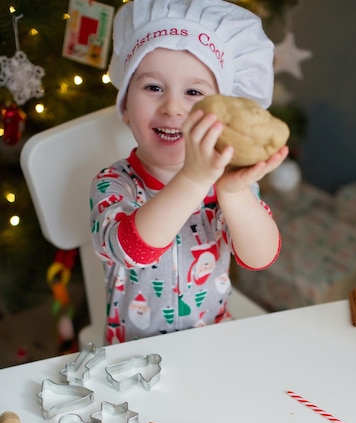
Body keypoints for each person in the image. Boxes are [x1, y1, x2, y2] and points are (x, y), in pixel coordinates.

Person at [90, 0, 288, 344]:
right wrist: (193, 179)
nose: (173, 107)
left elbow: (260, 258)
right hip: (129, 357)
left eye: (194, 92)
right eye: (153, 87)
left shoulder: (226, 185)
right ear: (124, 106)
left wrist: (234, 192)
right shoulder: (112, 183)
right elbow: (131, 250)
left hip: (210, 345)